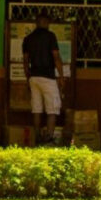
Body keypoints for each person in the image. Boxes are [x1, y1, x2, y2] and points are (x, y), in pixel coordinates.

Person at [21, 12, 64, 144]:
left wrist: (28, 76)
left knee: (37, 109)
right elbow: (56, 56)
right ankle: (49, 138)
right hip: (48, 77)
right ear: (46, 23)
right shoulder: (50, 36)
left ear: (36, 22)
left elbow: (25, 60)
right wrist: (61, 75)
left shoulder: (28, 39)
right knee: (52, 109)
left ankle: (37, 137)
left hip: (33, 77)